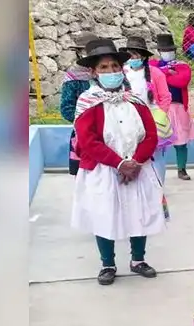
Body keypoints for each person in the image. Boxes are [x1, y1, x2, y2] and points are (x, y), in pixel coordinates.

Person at [70, 39, 166, 286]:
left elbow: (151, 134)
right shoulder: (87, 102)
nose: (111, 72)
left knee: (139, 212)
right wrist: (119, 163)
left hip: (138, 167)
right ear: (93, 72)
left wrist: (135, 162)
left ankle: (138, 259)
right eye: (104, 68)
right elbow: (88, 141)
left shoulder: (135, 99)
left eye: (114, 66)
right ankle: (107, 264)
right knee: (105, 215)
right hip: (104, 170)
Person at [122, 36, 172, 184]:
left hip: (152, 119)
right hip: (129, 119)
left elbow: (165, 97)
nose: (132, 58)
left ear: (143, 56)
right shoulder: (122, 73)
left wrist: (160, 117)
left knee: (155, 155)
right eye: (129, 55)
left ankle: (158, 185)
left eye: (135, 55)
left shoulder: (155, 73)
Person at [150, 34, 194, 181]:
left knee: (181, 140)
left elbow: (181, 81)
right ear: (159, 51)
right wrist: (168, 73)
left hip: (178, 107)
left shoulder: (182, 66)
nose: (167, 52)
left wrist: (161, 75)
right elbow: (152, 76)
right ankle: (156, 169)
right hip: (160, 108)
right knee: (158, 142)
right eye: (164, 50)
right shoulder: (153, 65)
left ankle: (181, 169)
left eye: (170, 50)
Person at [61, 32, 99, 176]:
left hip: (110, 132)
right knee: (85, 174)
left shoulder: (107, 73)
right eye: (84, 51)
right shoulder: (73, 78)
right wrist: (87, 124)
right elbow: (66, 108)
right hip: (83, 133)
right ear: (79, 53)